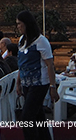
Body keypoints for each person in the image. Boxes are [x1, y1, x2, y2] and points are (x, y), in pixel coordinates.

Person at [15, 10, 57, 140]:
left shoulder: (41, 41)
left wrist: (52, 86)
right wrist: (18, 82)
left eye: (20, 24)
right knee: (38, 115)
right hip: (26, 82)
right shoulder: (22, 40)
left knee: (27, 116)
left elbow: (50, 64)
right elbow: (21, 64)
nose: (18, 27)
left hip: (39, 83)